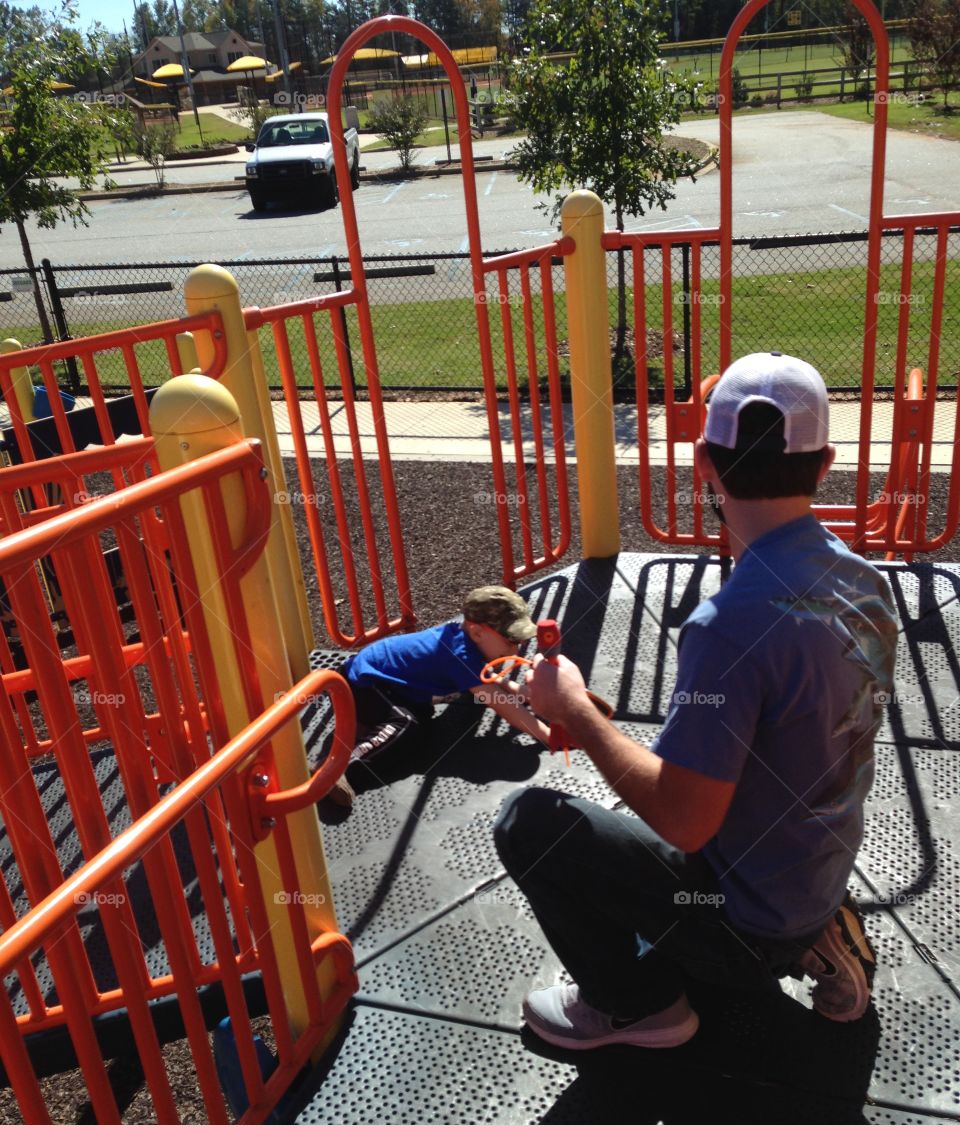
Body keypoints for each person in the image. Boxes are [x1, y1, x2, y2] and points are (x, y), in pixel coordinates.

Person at [494, 352, 899, 1050]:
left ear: (704, 463)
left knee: (528, 821)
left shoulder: (728, 626)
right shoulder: (866, 582)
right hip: (817, 872)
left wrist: (575, 712)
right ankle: (820, 933)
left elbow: (684, 822)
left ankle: (636, 1005)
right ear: (825, 460)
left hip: (741, 923)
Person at [328, 585, 550, 807]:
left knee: (422, 728)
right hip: (360, 684)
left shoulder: (467, 642)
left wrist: (521, 692)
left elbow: (487, 679)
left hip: (392, 688)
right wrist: (547, 735)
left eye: (520, 642)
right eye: (510, 640)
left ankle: (366, 727)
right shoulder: (459, 655)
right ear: (477, 632)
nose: (517, 649)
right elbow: (503, 707)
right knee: (407, 725)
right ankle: (336, 767)